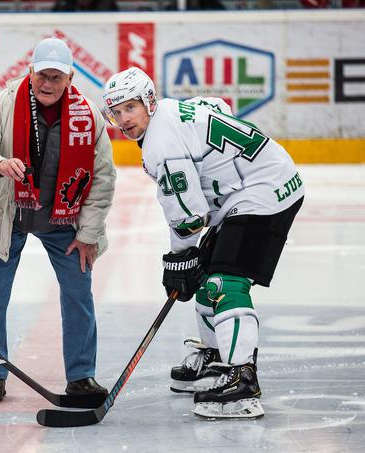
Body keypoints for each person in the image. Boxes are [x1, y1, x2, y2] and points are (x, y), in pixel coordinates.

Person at [102, 67, 304, 419]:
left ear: (148, 101)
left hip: (265, 191)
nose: (123, 120)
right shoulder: (172, 112)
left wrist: (178, 259)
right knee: (207, 271)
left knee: (223, 281)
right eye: (116, 113)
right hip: (254, 186)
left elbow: (190, 216)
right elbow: (217, 105)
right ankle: (216, 357)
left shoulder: (160, 144)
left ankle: (243, 381)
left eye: (130, 108)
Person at [0, 38, 116, 403]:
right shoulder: (5, 104)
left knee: (79, 296)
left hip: (65, 223)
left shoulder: (89, 116)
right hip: (8, 215)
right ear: (29, 71)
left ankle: (81, 376)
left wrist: (90, 233)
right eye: (42, 75)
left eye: (56, 77)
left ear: (70, 78)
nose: (47, 84)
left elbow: (103, 179)